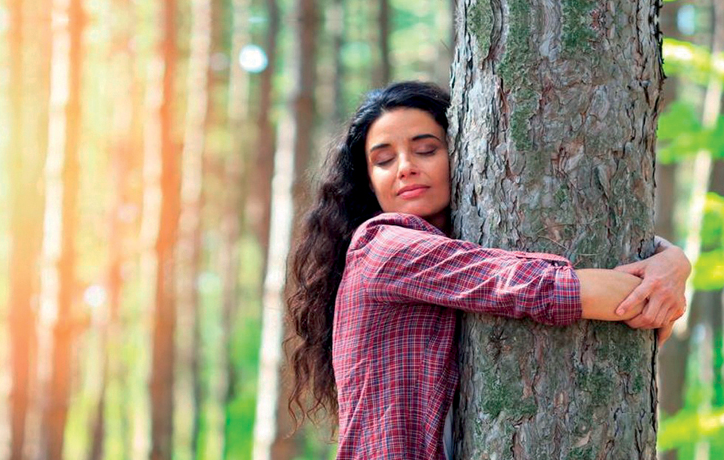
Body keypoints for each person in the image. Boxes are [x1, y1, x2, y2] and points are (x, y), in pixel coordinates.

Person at [285, 81, 691, 459]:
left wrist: (672, 262)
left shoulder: (452, 253)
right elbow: (540, 287)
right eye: (383, 160)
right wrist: (660, 278)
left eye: (426, 149)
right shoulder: (384, 245)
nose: (404, 167)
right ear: (369, 182)